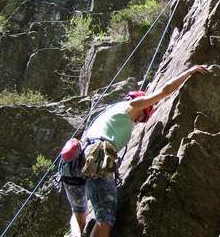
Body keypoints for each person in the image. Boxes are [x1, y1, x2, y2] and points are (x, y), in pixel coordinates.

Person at [63, 65, 209, 237]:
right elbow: (164, 91)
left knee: (77, 212)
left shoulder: (109, 114)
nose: (139, 120)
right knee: (105, 217)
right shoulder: (131, 105)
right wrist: (189, 72)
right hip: (96, 156)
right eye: (142, 116)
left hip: (72, 159)